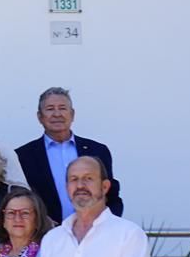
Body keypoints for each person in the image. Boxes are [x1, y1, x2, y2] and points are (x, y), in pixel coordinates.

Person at [14, 87, 124, 223]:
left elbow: (111, 195)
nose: (57, 114)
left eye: (62, 108)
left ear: (72, 114)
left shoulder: (97, 151)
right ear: (39, 117)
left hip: (94, 233)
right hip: (44, 236)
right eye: (49, 109)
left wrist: (104, 225)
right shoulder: (23, 156)